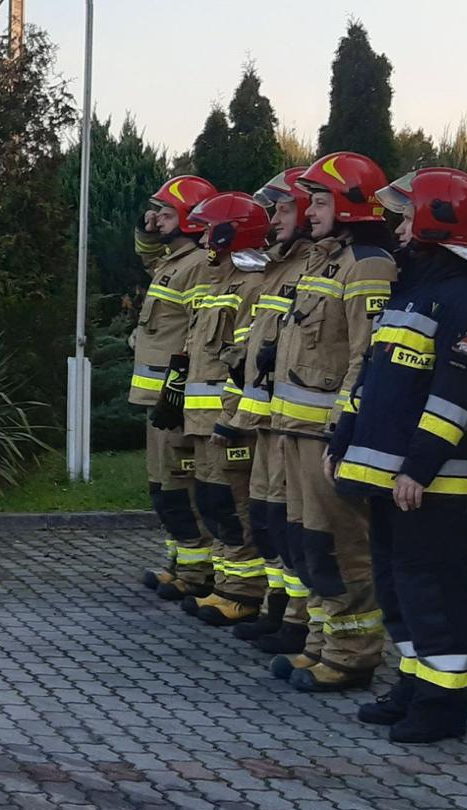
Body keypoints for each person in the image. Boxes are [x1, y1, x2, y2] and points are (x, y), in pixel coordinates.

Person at [333, 167, 467, 743]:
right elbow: (371, 383)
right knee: (398, 589)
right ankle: (413, 683)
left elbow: (454, 398)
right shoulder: (412, 294)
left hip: (425, 484)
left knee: (434, 593)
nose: (397, 227)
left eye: (407, 215)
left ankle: (442, 707)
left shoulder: (465, 302)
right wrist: (343, 442)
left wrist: (419, 469)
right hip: (387, 478)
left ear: (436, 220)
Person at [265, 151, 397, 693]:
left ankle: (353, 654)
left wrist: (348, 432)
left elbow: (367, 359)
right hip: (294, 430)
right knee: (306, 544)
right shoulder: (322, 260)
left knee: (341, 546)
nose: (308, 209)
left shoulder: (368, 264)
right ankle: (321, 641)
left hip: (328, 435)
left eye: (319, 200)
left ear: (348, 204)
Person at [225, 168, 320, 641]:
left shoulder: (313, 267)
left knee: (292, 523)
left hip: (299, 424)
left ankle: (298, 621)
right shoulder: (275, 267)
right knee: (267, 520)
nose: (274, 219)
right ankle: (277, 610)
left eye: (284, 209)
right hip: (268, 417)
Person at [174, 192, 274, 623]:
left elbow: (245, 361)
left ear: (232, 232)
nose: (203, 239)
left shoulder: (252, 285)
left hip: (226, 418)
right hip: (200, 419)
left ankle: (243, 593)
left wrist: (235, 419)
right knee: (214, 501)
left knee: (234, 504)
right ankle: (224, 581)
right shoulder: (217, 283)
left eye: (210, 230)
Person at [133, 176, 219, 598]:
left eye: (166, 215)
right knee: (162, 485)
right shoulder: (174, 261)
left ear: (189, 218)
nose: (158, 221)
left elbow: (197, 334)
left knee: (180, 486)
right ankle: (180, 560)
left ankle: (197, 570)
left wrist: (175, 394)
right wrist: (148, 230)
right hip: (157, 399)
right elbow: (148, 257)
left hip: (174, 400)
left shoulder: (199, 263)